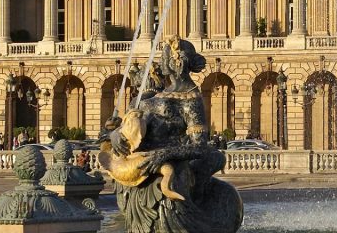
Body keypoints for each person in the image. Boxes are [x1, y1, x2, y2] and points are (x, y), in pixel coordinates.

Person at [99, 37, 243, 233]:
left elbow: (199, 146)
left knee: (165, 192)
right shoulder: (156, 94)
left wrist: (164, 155)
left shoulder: (191, 99)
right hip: (142, 162)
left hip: (167, 163)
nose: (168, 59)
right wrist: (115, 134)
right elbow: (127, 123)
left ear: (182, 62)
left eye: (172, 55)